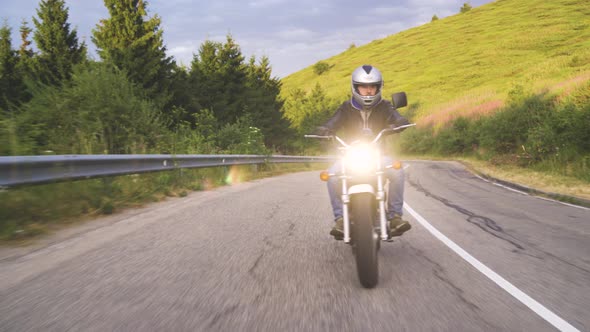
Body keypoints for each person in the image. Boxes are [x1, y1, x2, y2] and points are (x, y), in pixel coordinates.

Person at [315, 64, 411, 240]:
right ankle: (340, 219)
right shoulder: (345, 108)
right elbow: (333, 122)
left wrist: (400, 122)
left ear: (378, 87)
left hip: (378, 155)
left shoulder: (385, 106)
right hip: (351, 155)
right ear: (355, 87)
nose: (368, 91)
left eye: (372, 87)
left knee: (397, 171)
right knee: (332, 175)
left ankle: (395, 217)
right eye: (363, 87)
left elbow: (396, 117)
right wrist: (324, 129)